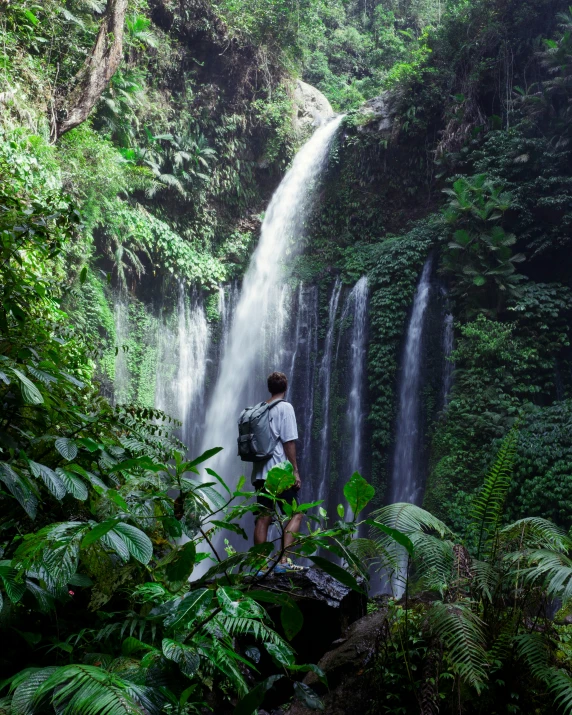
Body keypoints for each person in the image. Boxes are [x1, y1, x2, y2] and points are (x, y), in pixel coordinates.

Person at [252, 371, 304, 573]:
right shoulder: (285, 408)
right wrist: (295, 472)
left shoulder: (259, 409)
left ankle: (260, 565)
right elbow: (289, 441)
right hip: (278, 473)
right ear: (285, 387)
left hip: (259, 473)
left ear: (269, 388)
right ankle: (283, 562)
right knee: (296, 513)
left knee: (263, 516)